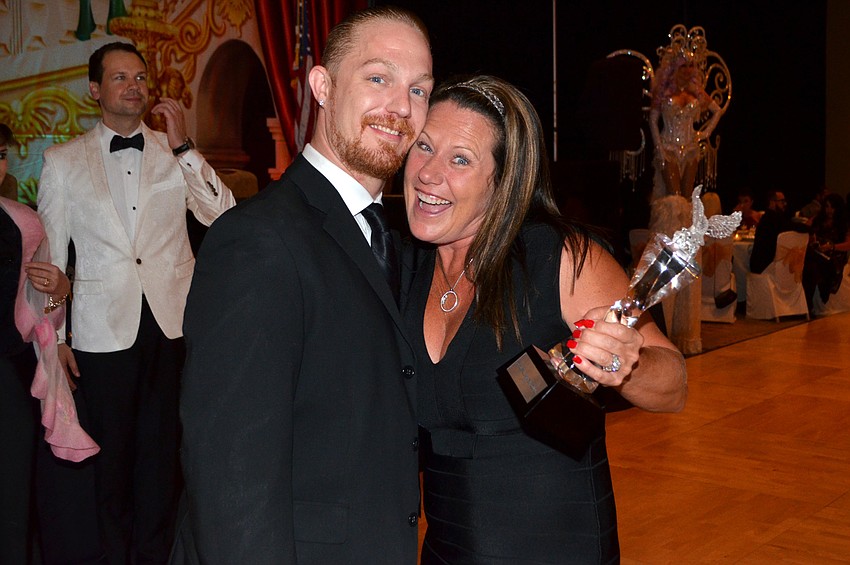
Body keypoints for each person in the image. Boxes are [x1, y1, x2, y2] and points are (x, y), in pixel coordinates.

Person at [175, 6, 433, 564]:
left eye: (419, 90)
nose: (400, 107)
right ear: (322, 86)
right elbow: (231, 476)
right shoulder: (257, 241)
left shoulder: (395, 239)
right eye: (378, 78)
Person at [401, 75, 687, 564]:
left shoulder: (563, 260)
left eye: (461, 159)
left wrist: (626, 363)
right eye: (424, 146)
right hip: (447, 549)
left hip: (556, 547)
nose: (428, 172)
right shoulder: (405, 268)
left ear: (504, 181)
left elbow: (675, 385)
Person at [36, 41, 235, 563]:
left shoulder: (175, 151)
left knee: (163, 463)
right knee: (111, 465)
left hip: (173, 328)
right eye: (121, 78)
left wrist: (186, 147)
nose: (135, 86)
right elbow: (52, 261)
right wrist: (56, 338)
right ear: (95, 91)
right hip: (102, 333)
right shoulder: (61, 162)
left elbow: (224, 217)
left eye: (141, 77)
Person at [1, 124, 96, 564]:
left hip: (8, 379)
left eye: (0, 154)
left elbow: (47, 308)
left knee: (12, 508)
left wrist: (60, 287)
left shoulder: (23, 223)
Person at [649, 40, 722, 200]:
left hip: (690, 148)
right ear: (674, 68)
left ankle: (687, 226)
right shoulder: (663, 91)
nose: (688, 70)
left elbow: (717, 111)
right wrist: (659, 148)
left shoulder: (697, 92)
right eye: (683, 66)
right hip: (668, 147)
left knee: (687, 197)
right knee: (674, 198)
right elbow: (653, 120)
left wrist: (704, 133)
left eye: (691, 66)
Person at [803, 193, 849, 311]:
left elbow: (848, 245)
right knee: (810, 264)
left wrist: (832, 247)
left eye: (832, 207)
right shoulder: (818, 219)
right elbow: (805, 230)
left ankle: (808, 304)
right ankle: (807, 304)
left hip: (834, 256)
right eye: (827, 206)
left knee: (812, 264)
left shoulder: (843, 223)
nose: (829, 210)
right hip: (817, 253)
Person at [749, 190, 806, 274]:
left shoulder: (771, 217)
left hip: (765, 264)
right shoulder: (772, 218)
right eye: (782, 201)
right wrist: (809, 228)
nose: (785, 204)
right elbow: (791, 226)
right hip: (765, 267)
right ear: (772, 202)